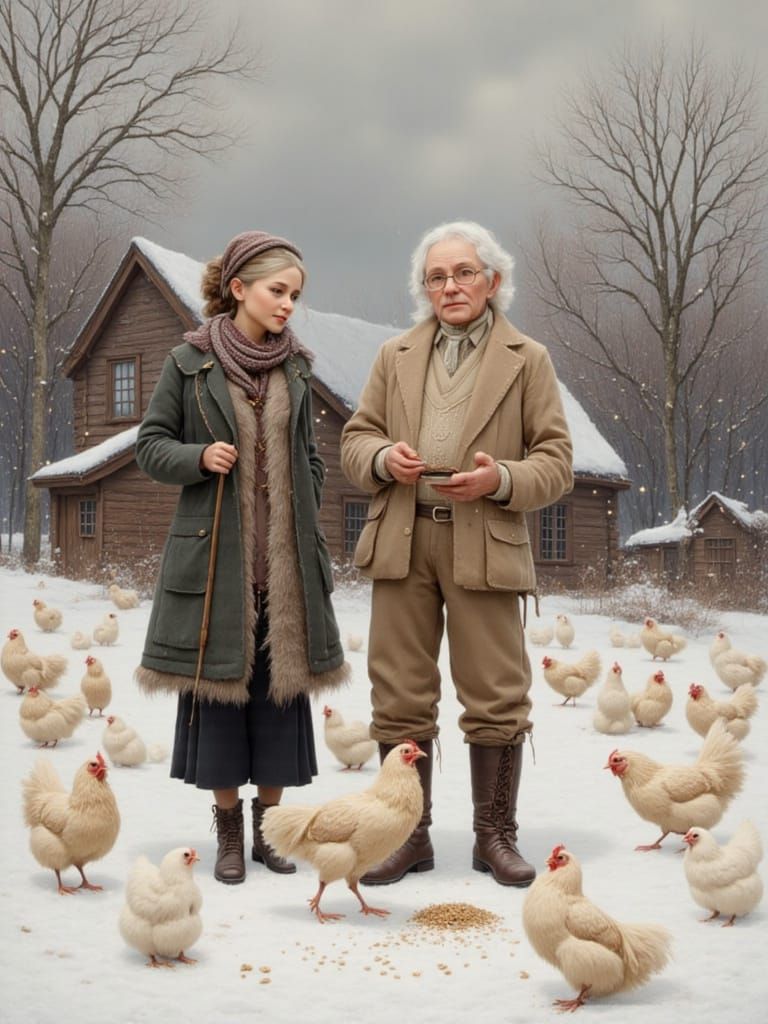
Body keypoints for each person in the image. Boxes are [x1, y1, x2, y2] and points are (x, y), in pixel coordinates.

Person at [340, 221, 573, 887]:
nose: (450, 286)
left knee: (497, 693)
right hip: (401, 538)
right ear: (425, 289)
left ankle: (494, 836)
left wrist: (500, 479)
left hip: (485, 538)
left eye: (463, 272)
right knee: (399, 695)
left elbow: (556, 463)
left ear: (493, 280)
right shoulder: (395, 355)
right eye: (436, 277)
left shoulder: (528, 359)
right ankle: (404, 835)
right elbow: (356, 442)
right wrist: (384, 457)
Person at [135, 230, 349, 885]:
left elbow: (310, 456)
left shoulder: (297, 368)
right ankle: (229, 835)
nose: (288, 304)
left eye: (296, 295)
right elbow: (149, 444)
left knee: (280, 701)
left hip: (284, 568)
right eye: (277, 291)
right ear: (238, 289)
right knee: (221, 704)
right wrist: (197, 458)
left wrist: (302, 499)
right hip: (213, 567)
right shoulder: (189, 362)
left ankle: (270, 833)